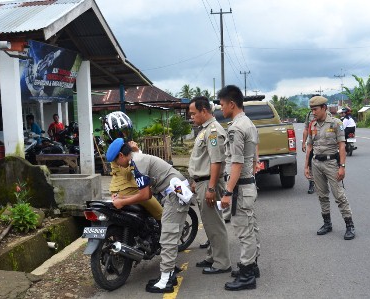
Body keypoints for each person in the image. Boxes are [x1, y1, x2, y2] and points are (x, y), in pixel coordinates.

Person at [106, 138, 193, 294]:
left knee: (167, 237)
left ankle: (166, 280)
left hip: (175, 194)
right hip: (172, 193)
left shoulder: (137, 163)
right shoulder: (135, 159)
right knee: (169, 235)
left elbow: (145, 195)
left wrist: (122, 202)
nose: (118, 166)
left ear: (121, 155)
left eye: (116, 162)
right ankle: (169, 273)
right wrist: (122, 199)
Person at [218, 85, 260, 291]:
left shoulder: (236, 128)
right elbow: (254, 154)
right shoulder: (248, 123)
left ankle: (247, 275)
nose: (220, 108)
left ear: (231, 104)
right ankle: (251, 266)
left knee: (244, 233)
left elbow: (236, 163)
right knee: (251, 228)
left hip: (241, 188)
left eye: (222, 104)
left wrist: (227, 192)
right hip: (248, 184)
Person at [188, 96, 232, 275]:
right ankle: (213, 255)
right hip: (203, 182)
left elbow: (216, 161)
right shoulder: (204, 130)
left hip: (209, 182)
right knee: (209, 223)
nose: (191, 117)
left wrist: (211, 188)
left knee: (214, 224)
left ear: (204, 111)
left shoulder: (213, 131)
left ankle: (222, 263)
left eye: (193, 113)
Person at [304, 96, 355, 240]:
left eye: (315, 109)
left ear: (324, 108)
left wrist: (342, 167)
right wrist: (306, 166)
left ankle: (349, 225)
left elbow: (342, 146)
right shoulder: (312, 125)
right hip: (316, 164)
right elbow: (309, 146)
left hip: (331, 163)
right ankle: (327, 223)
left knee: (339, 195)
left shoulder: (336, 123)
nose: (313, 112)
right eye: (312, 110)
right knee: (322, 195)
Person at [303, 102, 332, 194]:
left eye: (315, 108)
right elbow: (306, 129)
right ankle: (312, 183)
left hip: (325, 143)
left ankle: (324, 182)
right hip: (314, 142)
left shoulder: (328, 115)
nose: (313, 111)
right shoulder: (309, 115)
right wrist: (304, 142)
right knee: (311, 161)